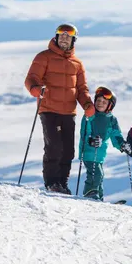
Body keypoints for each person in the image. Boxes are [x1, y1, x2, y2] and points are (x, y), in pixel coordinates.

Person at [24, 23, 95, 194]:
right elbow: (31, 79)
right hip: (49, 108)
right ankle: (52, 183)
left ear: (73, 40)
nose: (64, 38)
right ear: (56, 37)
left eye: (68, 36)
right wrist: (35, 89)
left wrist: (87, 104)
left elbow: (81, 89)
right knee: (54, 146)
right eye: (61, 35)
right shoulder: (44, 57)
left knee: (68, 149)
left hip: (68, 112)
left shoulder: (77, 64)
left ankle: (62, 183)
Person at [78, 86, 126, 200]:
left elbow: (116, 135)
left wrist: (122, 144)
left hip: (100, 154)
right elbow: (84, 132)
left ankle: (99, 196)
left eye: (104, 102)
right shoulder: (90, 115)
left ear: (110, 106)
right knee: (96, 173)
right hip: (89, 151)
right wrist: (90, 140)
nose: (100, 103)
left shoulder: (112, 119)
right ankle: (90, 193)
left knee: (100, 175)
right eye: (98, 100)